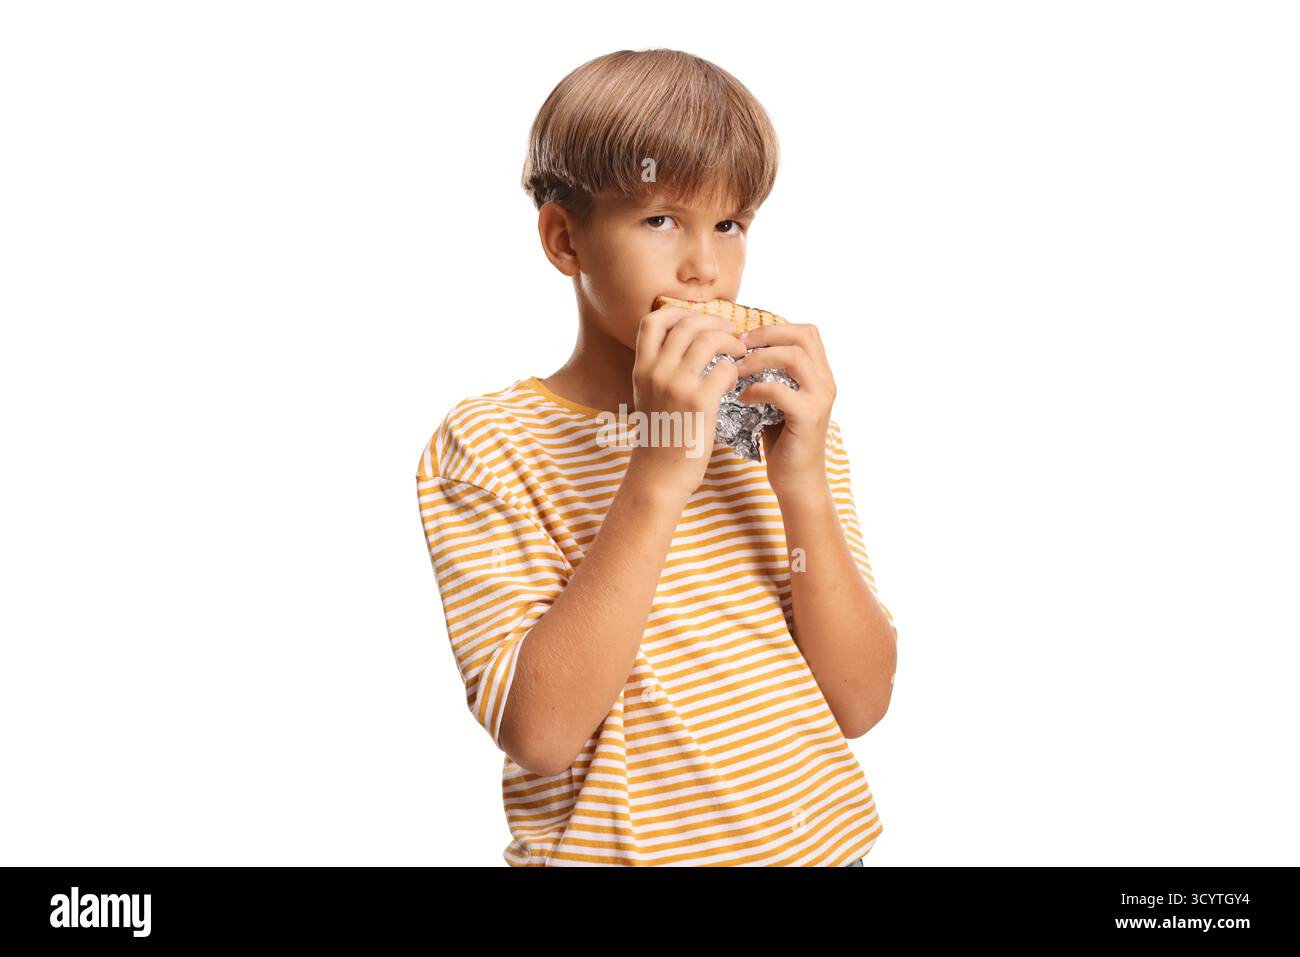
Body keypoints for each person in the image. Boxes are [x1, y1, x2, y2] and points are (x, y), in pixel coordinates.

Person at [415, 48, 897, 866]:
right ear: (565, 239)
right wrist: (665, 459)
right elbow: (541, 730)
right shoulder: (490, 443)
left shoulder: (772, 424)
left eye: (730, 223)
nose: (705, 267)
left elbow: (858, 701)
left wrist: (803, 480)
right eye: (661, 219)